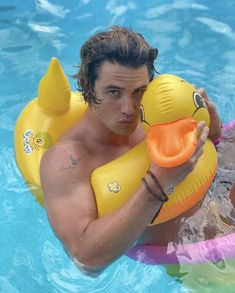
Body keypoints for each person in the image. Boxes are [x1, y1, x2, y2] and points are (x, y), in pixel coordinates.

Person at [40, 26, 223, 274]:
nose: (130, 109)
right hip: (198, 260)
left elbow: (212, 149)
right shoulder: (68, 160)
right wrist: (159, 183)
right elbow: (86, 260)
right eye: (114, 92)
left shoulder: (156, 111)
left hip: (217, 202)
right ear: (88, 88)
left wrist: (212, 127)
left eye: (139, 92)